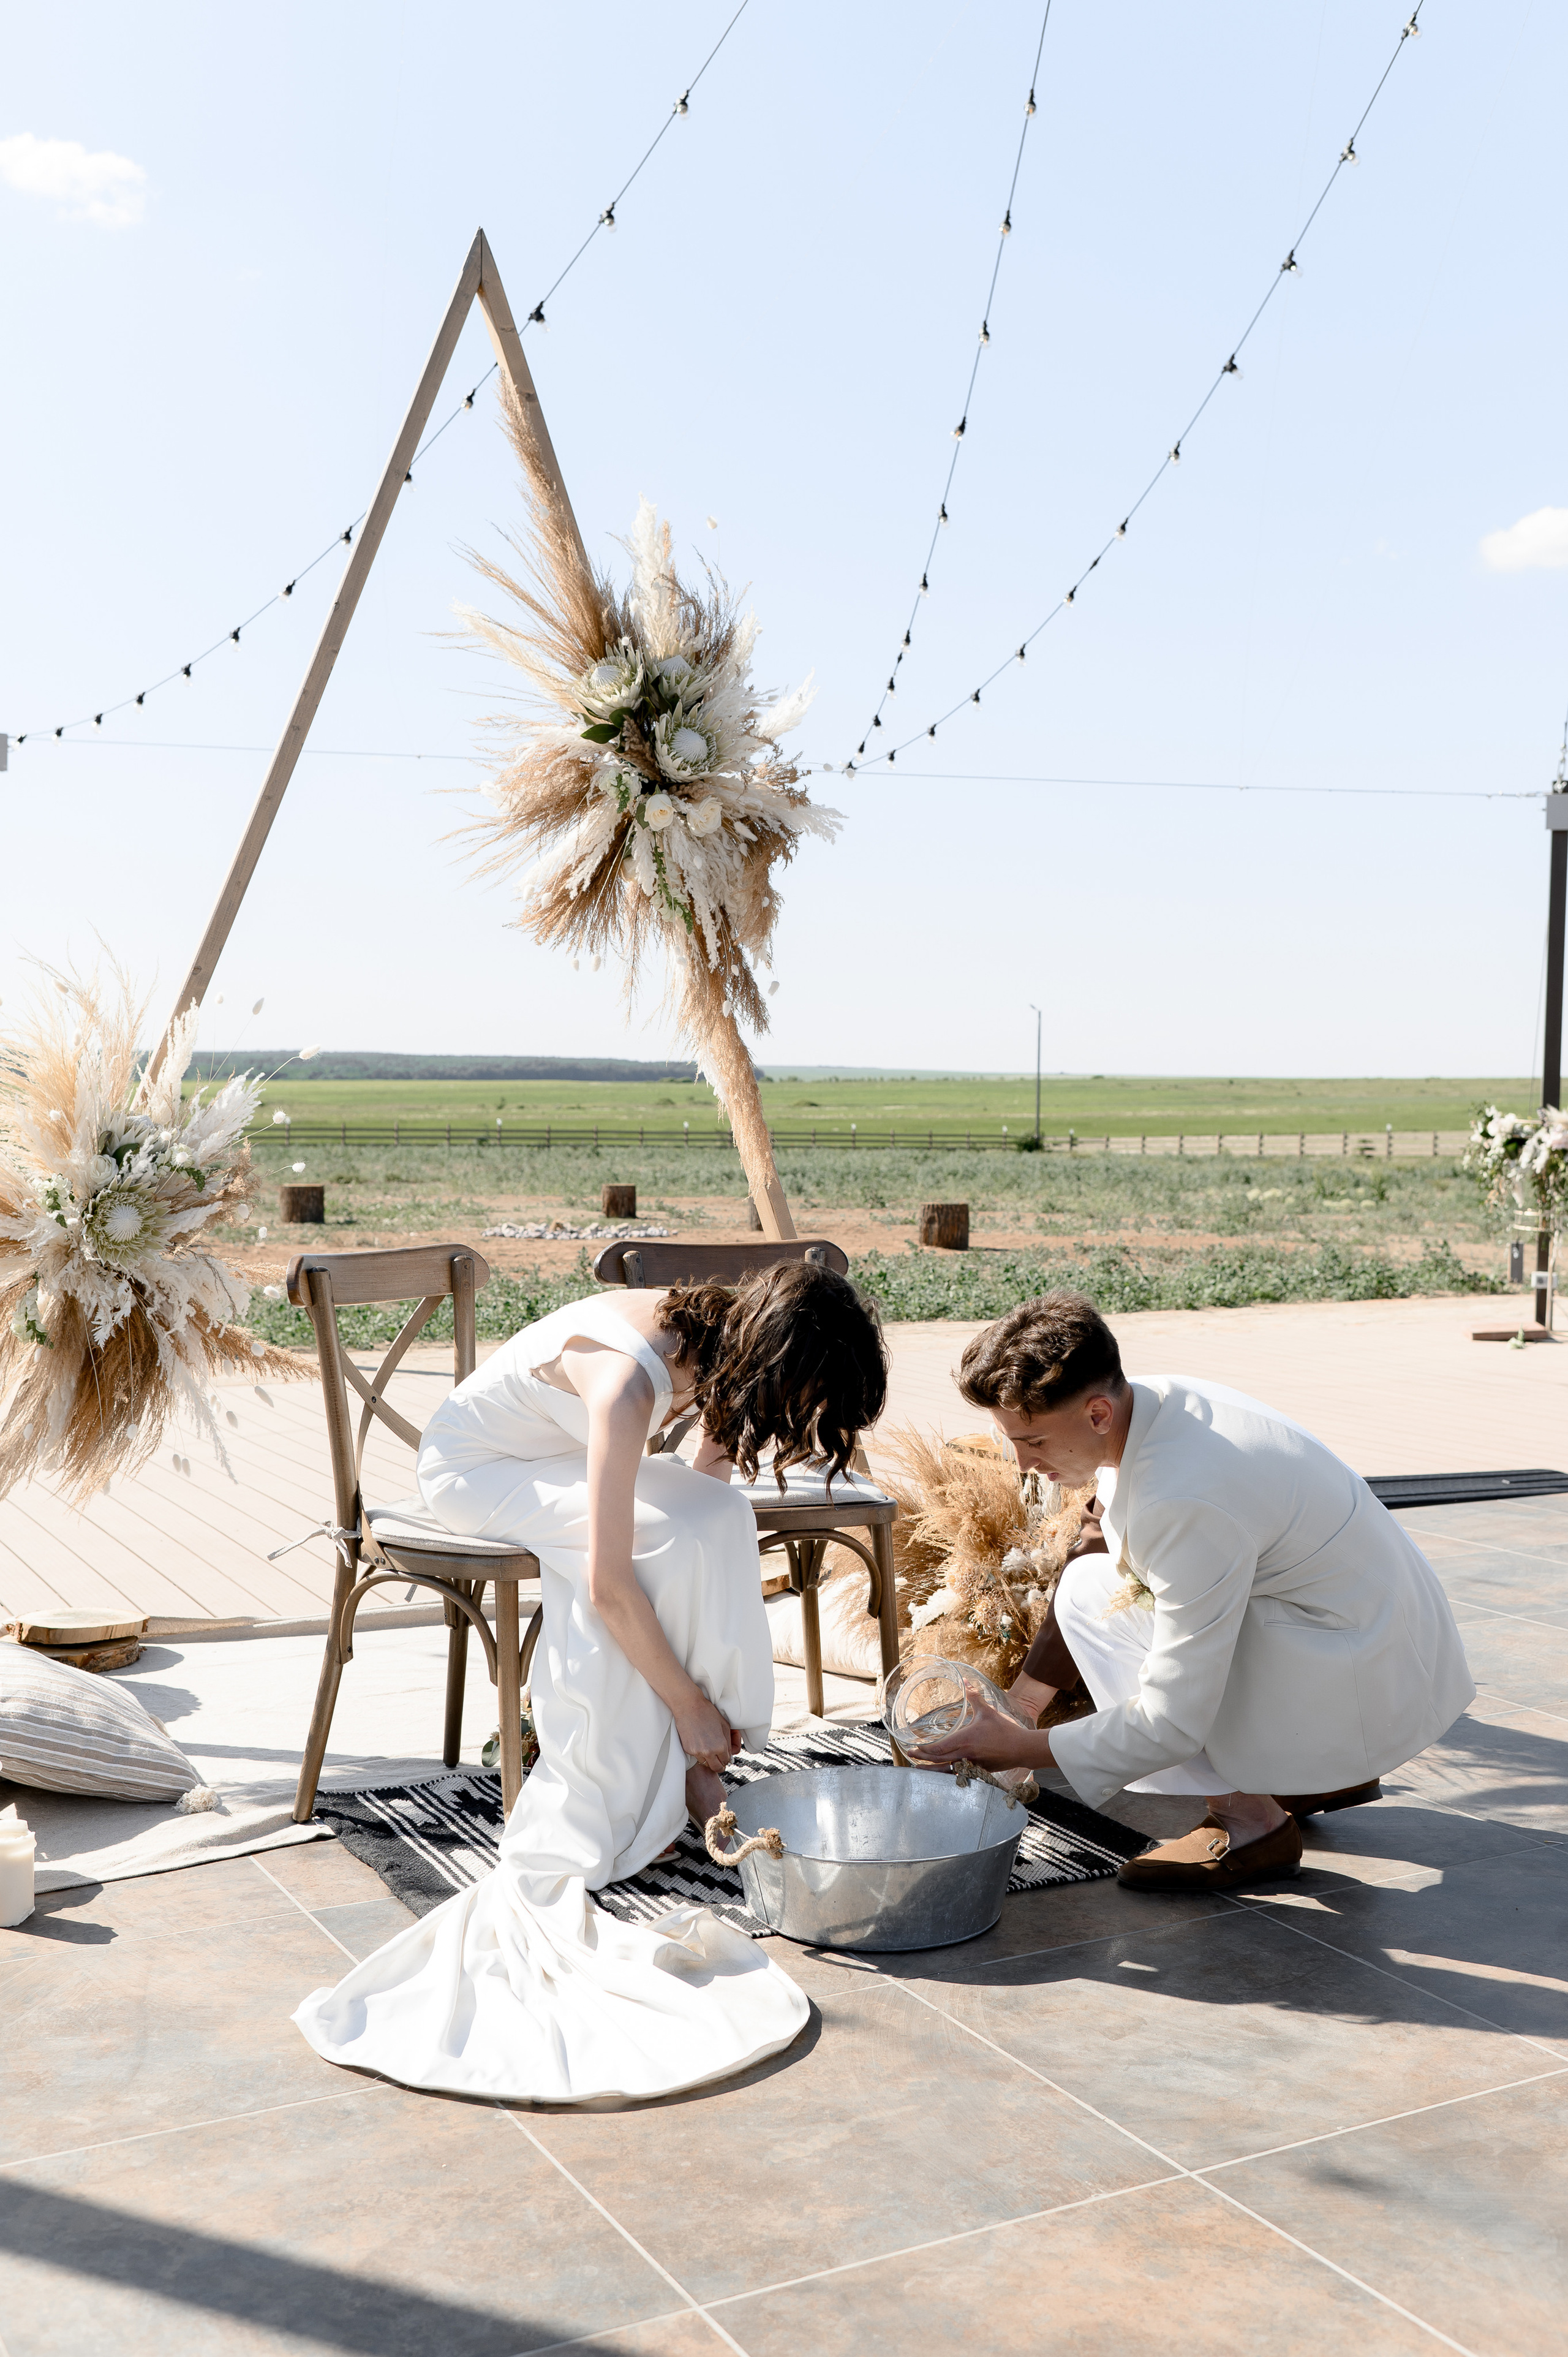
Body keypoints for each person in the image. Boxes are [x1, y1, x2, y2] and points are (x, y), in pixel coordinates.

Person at [293, 1260, 888, 2103]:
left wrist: (699, 1642)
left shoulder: (720, 1350)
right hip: (475, 1472)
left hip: (553, 1460)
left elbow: (709, 1496)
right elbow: (609, 1581)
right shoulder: (626, 1382)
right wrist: (685, 1700)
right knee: (645, 1559)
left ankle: (699, 1766)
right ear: (771, 1362)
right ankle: (631, 1782)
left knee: (715, 1520)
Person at [919, 1292, 1474, 1891]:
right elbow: (1098, 1538)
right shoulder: (1150, 1403)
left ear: (1097, 1413)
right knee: (1089, 1586)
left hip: (1363, 1677)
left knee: (1117, 1616)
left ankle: (1251, 1824)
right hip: (1374, 1633)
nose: (1021, 1462)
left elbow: (1172, 1719)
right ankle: (1305, 1773)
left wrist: (1024, 1745)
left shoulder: (1181, 1497)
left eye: (1033, 1441)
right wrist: (1023, 1704)